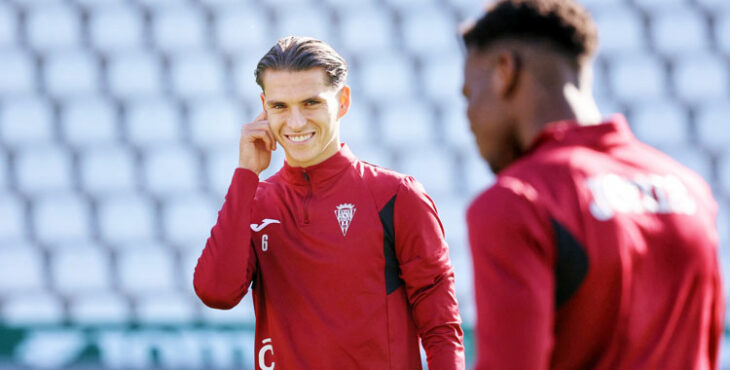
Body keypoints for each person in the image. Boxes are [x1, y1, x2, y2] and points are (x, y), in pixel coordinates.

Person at [460, 0, 724, 368]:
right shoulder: (691, 192)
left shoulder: (518, 202)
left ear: (505, 71)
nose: (469, 117)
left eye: (469, 95)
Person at [193, 36, 465, 369]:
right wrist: (245, 174)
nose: (295, 123)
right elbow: (215, 292)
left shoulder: (397, 196)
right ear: (264, 107)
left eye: (311, 103)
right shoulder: (255, 202)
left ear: (343, 101)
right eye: (279, 106)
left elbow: (442, 329)